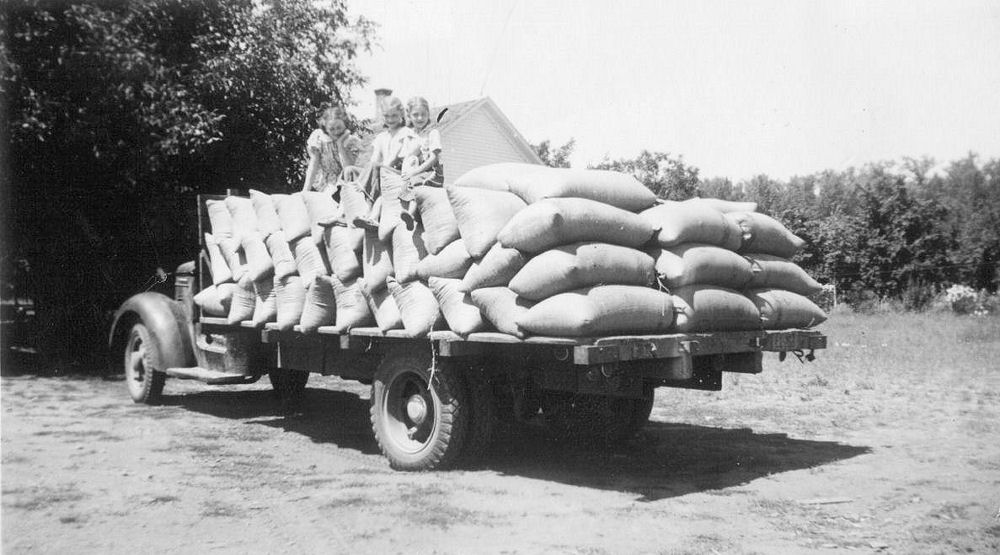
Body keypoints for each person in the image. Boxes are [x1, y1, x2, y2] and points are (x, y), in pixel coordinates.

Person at [352, 96, 417, 230]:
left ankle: (367, 207)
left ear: (401, 114)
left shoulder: (406, 133)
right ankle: (372, 217)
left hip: (399, 173)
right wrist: (367, 174)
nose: (390, 120)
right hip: (382, 174)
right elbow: (374, 159)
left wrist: (370, 173)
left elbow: (402, 159)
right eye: (387, 116)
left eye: (394, 116)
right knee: (354, 170)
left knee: (375, 168)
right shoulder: (381, 137)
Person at [398, 96, 444, 226]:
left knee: (416, 181)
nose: (419, 118)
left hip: (433, 172)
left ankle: (410, 214)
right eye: (415, 115)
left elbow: (434, 158)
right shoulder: (410, 136)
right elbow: (406, 158)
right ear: (409, 116)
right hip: (417, 170)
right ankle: (410, 215)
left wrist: (414, 172)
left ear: (428, 114)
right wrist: (406, 172)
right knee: (404, 185)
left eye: (423, 114)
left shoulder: (432, 133)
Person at [302, 106, 362, 200]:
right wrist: (305, 192)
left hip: (347, 184)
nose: (336, 132)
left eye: (339, 127)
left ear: (345, 125)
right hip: (325, 185)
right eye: (332, 129)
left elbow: (349, 169)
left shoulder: (351, 141)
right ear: (325, 128)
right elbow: (313, 165)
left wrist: (340, 145)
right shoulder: (319, 138)